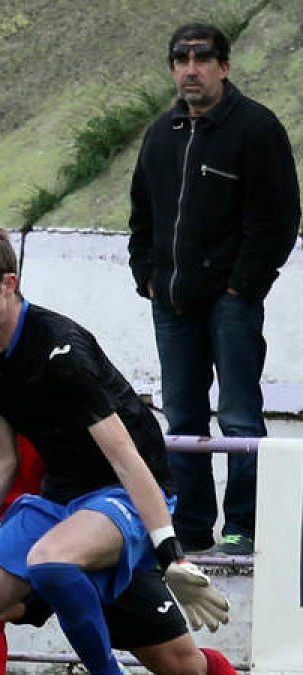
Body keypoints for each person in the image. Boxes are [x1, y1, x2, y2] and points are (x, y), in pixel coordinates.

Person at [0, 224, 230, 675]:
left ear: (9, 283)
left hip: (124, 496)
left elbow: (126, 459)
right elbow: (0, 461)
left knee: (175, 660)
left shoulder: (61, 351)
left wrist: (172, 555)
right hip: (58, 502)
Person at [127, 23, 301, 556]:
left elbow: (279, 219)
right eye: (181, 59)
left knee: (239, 416)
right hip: (171, 303)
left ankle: (244, 526)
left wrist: (241, 288)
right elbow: (141, 215)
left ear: (224, 67)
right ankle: (193, 526)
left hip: (232, 305)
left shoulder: (256, 128)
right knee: (181, 417)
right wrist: (147, 276)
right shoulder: (161, 134)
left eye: (202, 59)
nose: (191, 69)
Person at [0, 403, 237, 675]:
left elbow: (131, 467)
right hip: (25, 551)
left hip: (101, 542)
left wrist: (170, 554)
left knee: (180, 664)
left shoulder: (66, 406)